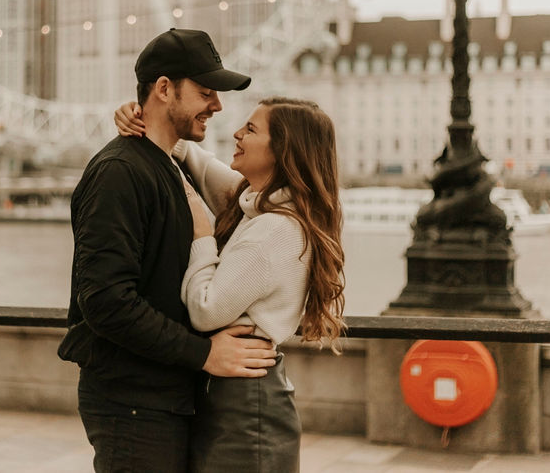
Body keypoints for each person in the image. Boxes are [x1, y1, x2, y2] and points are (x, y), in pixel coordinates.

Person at [58, 28, 278, 473]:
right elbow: (105, 301)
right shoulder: (118, 174)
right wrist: (203, 354)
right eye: (205, 92)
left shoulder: (174, 166)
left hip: (165, 398)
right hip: (133, 402)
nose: (216, 105)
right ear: (163, 89)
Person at [115, 96, 346, 472]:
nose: (236, 134)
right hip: (238, 394)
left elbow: (206, 311)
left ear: (283, 150)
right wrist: (141, 118)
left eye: (251, 130)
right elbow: (201, 166)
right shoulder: (260, 205)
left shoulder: (275, 229)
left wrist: (202, 236)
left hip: (246, 406)